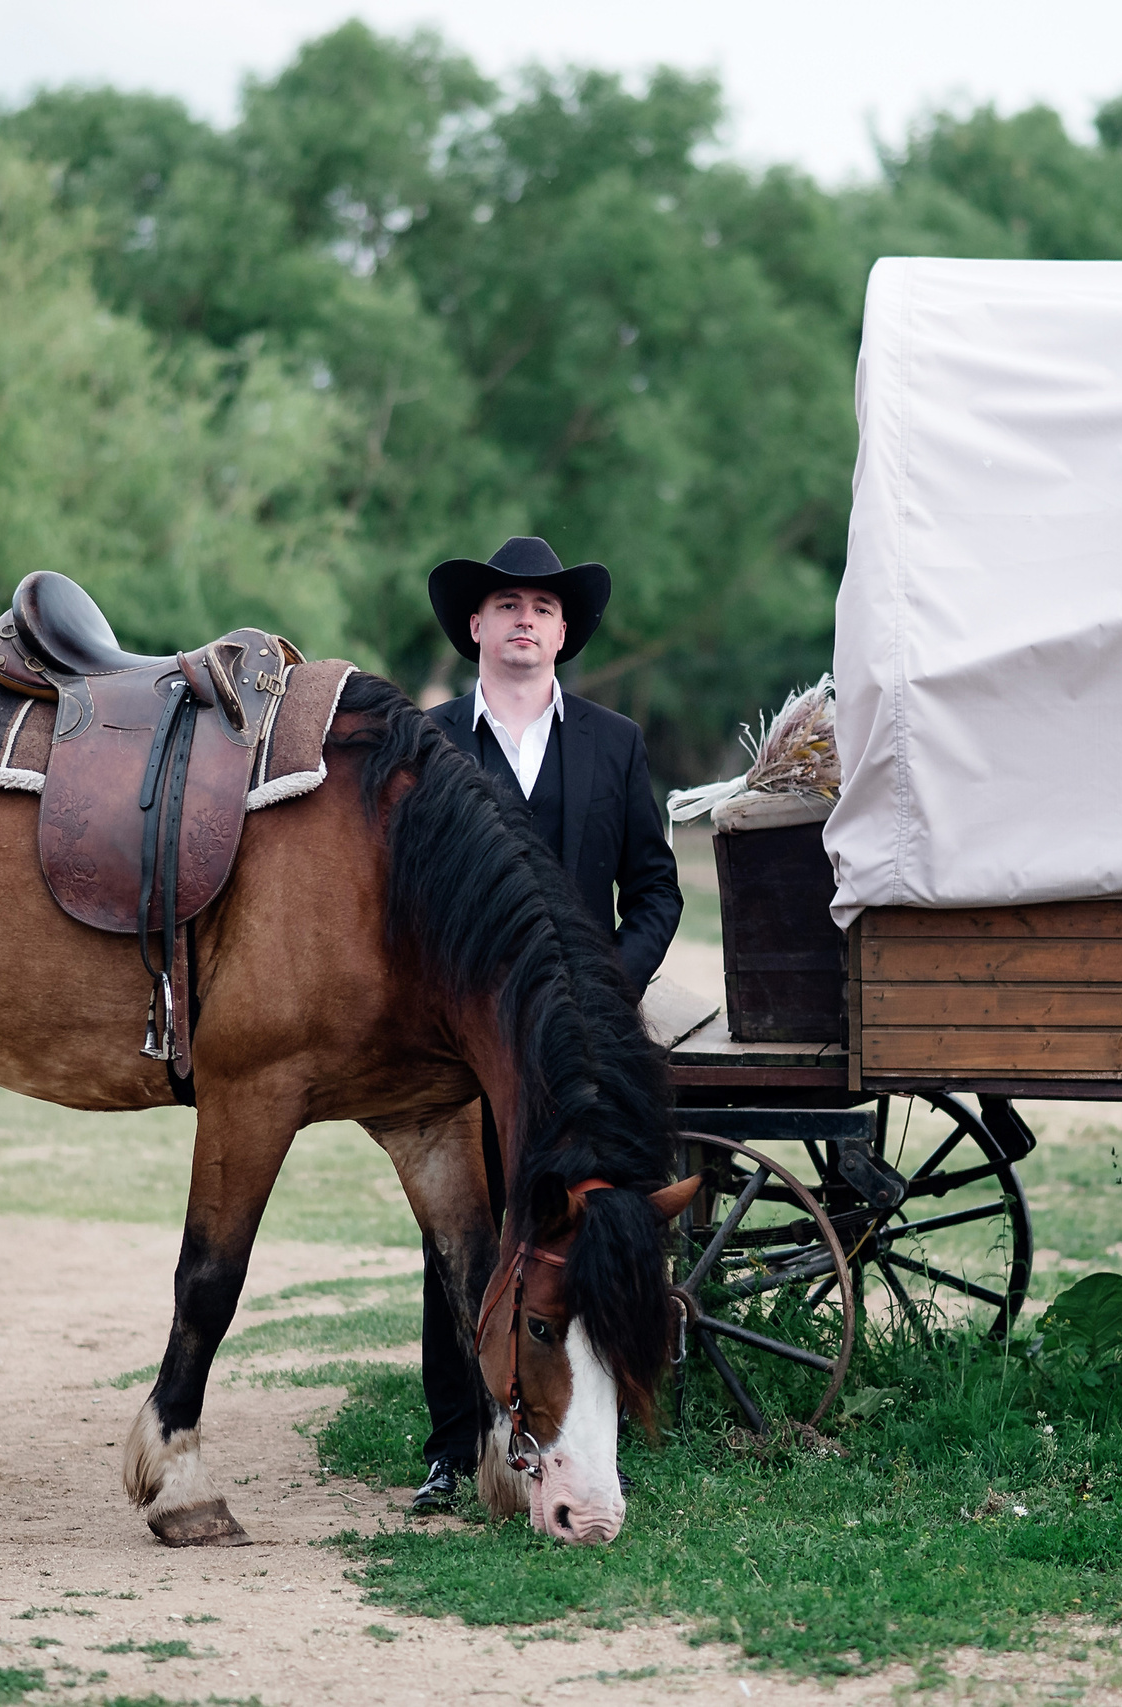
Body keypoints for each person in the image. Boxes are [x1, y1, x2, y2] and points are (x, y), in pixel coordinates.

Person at [409, 535, 682, 1514]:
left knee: (592, 1237)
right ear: (475, 626)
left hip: (583, 1062)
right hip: (467, 1047)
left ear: (564, 634)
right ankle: (455, 1445)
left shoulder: (613, 744)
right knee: (465, 1235)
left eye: (545, 608)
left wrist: (604, 989)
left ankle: (589, 1429)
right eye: (507, 604)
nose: (526, 619)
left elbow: (654, 891)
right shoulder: (430, 744)